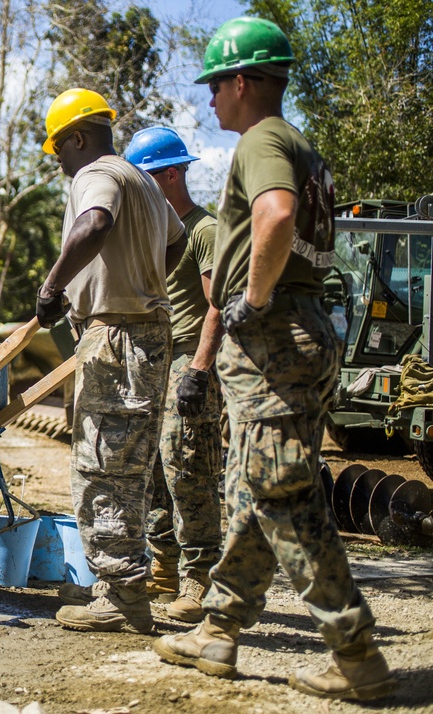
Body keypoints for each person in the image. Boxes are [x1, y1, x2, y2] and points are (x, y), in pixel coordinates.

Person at [153, 17, 397, 701]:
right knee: (252, 486)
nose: (209, 102)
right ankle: (221, 627)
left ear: (241, 82)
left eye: (214, 87)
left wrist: (253, 304)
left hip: (276, 334)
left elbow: (277, 215)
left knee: (283, 493)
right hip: (297, 330)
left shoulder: (262, 140)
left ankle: (357, 655)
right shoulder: (300, 146)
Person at [36, 88, 186, 634]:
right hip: (148, 334)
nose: (60, 163)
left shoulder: (96, 174)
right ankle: (121, 587)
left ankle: (121, 597)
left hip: (118, 337)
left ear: (77, 138)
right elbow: (178, 241)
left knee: (101, 466)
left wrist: (54, 287)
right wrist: (140, 278)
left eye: (59, 151)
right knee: (130, 467)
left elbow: (94, 223)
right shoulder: (145, 182)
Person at [124, 127, 224, 623]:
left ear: (169, 174)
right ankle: (163, 566)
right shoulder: (156, 232)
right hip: (156, 359)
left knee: (187, 466)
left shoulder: (204, 230)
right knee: (153, 470)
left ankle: (200, 578)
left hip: (189, 359)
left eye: (144, 181)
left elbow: (218, 304)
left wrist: (200, 370)